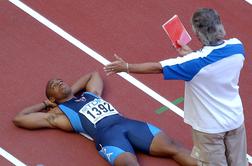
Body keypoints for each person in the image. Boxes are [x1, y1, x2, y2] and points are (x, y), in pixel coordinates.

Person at [104, 8, 248, 166]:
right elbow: (211, 62)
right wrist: (191, 54)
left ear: (197, 33)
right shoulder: (237, 47)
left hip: (210, 128)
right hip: (235, 120)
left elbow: (157, 67)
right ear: (219, 25)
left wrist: (126, 67)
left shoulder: (193, 63)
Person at [13, 71, 196, 166]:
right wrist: (47, 104)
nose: (59, 82)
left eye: (60, 80)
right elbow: (20, 119)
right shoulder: (59, 114)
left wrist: (72, 94)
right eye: (53, 85)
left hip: (128, 124)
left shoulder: (91, 94)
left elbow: (93, 74)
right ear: (52, 97)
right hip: (109, 138)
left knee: (175, 148)